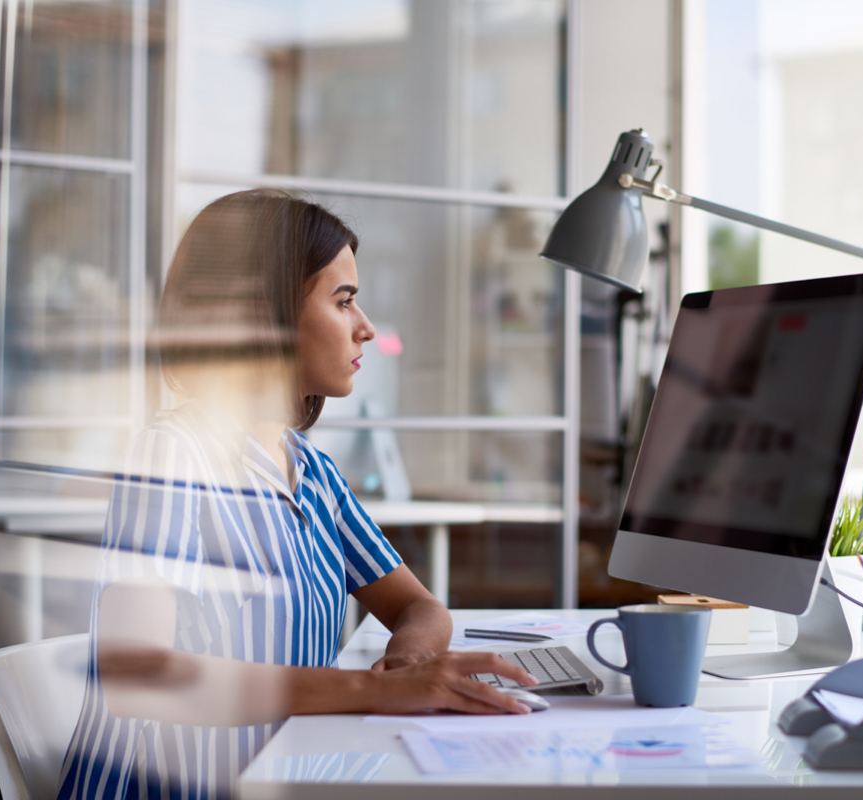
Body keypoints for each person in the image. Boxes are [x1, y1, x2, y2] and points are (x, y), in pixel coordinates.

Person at [57, 190, 534, 800]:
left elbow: (421, 610)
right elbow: (137, 678)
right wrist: (374, 691)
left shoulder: (313, 474)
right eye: (343, 302)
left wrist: (413, 664)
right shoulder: (175, 455)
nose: (365, 328)